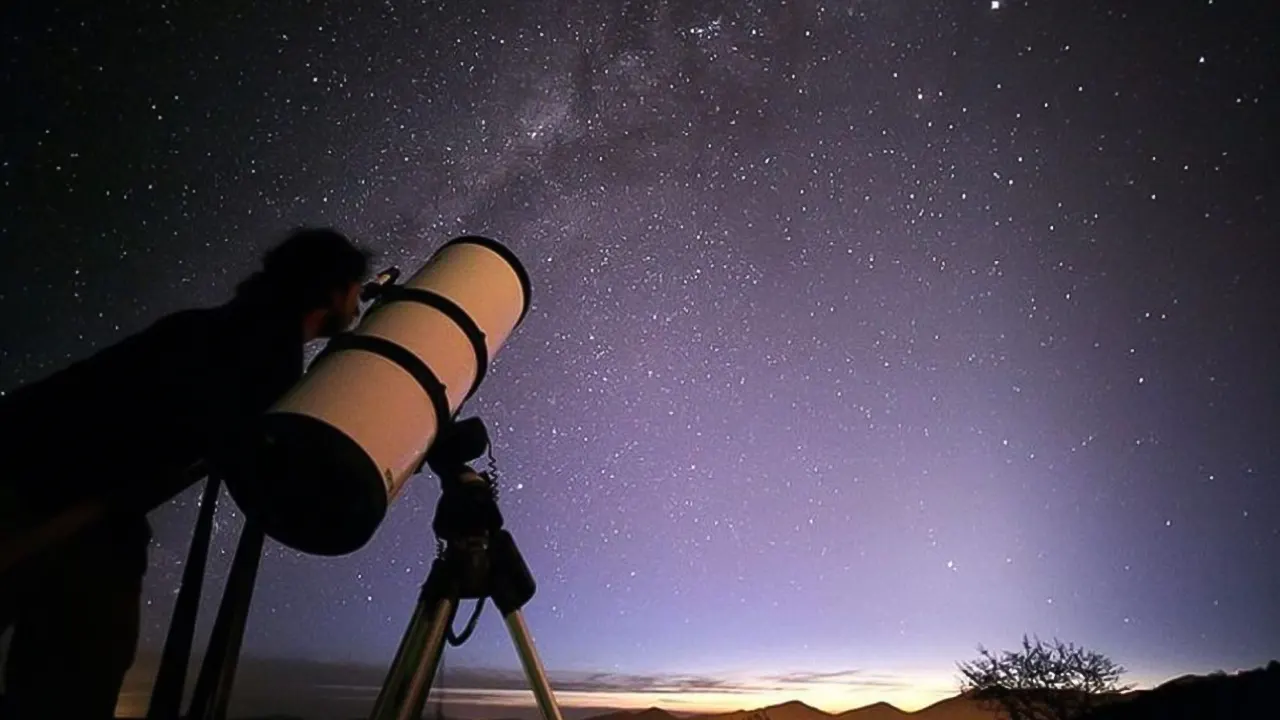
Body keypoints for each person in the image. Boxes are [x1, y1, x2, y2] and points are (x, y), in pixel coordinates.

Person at [0, 227, 371, 719]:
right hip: (54, 502)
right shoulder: (267, 352)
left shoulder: (219, 326)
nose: (360, 303)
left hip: (45, 477)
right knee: (73, 682)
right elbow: (252, 461)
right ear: (331, 290)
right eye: (356, 291)